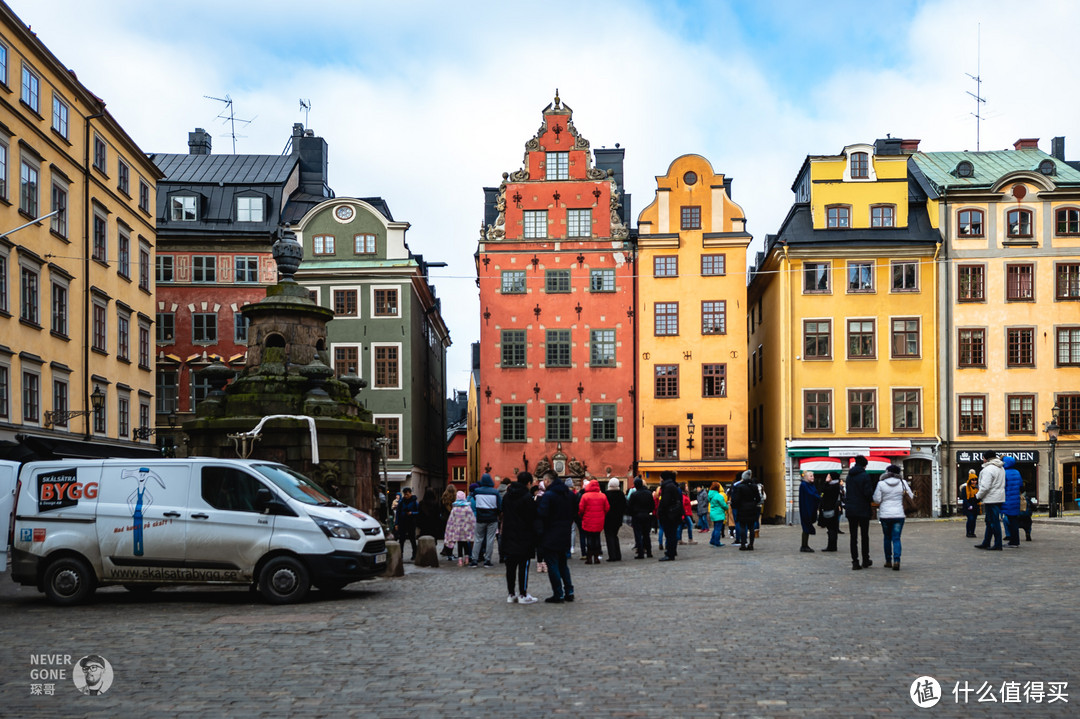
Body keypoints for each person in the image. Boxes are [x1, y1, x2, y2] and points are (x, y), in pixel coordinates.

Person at [536, 470, 576, 603]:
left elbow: (542, 514)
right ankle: (569, 591)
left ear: (547, 481)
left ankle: (558, 593)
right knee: (563, 564)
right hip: (565, 533)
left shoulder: (549, 495)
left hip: (551, 533)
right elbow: (575, 512)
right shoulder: (569, 494)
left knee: (552, 564)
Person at [501, 472, 539, 604]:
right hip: (524, 536)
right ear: (528, 483)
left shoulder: (507, 495)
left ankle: (511, 594)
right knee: (523, 565)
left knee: (510, 567)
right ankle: (523, 594)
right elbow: (531, 517)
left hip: (508, 534)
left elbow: (503, 512)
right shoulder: (527, 497)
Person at [872, 464, 914, 570]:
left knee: (887, 538)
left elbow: (877, 499)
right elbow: (911, 496)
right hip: (899, 514)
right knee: (896, 538)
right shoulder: (902, 483)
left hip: (885, 515)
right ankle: (897, 560)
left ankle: (888, 561)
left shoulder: (881, 484)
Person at [845, 456, 875, 570]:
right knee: (864, 536)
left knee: (853, 537)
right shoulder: (865, 476)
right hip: (863, 509)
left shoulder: (849, 476)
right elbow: (868, 493)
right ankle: (865, 560)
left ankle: (855, 561)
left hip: (851, 509)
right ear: (864, 465)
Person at [974, 450, 1006, 551]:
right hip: (998, 497)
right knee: (989, 521)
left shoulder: (988, 469)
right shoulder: (1000, 468)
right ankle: (986, 542)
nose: (982, 459)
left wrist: (977, 496)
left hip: (991, 498)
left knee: (993, 522)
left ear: (987, 458)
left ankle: (997, 544)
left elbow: (985, 486)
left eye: (983, 457)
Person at [470, 473, 502, 567]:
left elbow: (474, 498)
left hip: (480, 518)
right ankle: (487, 560)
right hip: (492, 518)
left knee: (478, 539)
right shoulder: (495, 492)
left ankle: (474, 560)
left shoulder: (477, 491)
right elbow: (499, 506)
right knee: (490, 539)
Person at [578, 479, 610, 564]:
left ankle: (589, 557)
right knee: (597, 537)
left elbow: (581, 509)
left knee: (589, 538)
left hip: (588, 520)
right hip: (599, 520)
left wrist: (582, 516)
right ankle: (596, 557)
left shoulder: (585, 496)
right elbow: (607, 508)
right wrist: (602, 515)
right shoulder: (602, 496)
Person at [730, 470, 761, 550]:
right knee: (751, 528)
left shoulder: (739, 487)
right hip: (752, 509)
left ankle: (743, 544)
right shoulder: (754, 486)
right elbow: (758, 498)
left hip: (742, 509)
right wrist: (753, 503)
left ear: (743, 478)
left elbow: (736, 499)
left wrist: (736, 506)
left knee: (743, 527)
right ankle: (751, 544)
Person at [657, 471, 683, 561]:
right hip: (673, 514)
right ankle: (672, 551)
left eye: (660, 477)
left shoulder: (668, 487)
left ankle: (670, 553)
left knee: (670, 534)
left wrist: (660, 512)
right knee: (672, 534)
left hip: (669, 515)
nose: (659, 479)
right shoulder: (673, 486)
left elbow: (665, 502)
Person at [444, 491, 476, 566]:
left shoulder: (455, 509)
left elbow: (451, 520)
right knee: (465, 544)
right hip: (466, 530)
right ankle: (467, 559)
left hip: (458, 530)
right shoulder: (468, 508)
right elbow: (472, 519)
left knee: (460, 545)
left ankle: (460, 560)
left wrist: (449, 530)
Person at [627, 477, 655, 559]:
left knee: (638, 534)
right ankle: (649, 552)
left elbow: (630, 506)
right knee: (646, 534)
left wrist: (632, 514)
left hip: (637, 516)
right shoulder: (648, 493)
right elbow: (652, 505)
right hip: (646, 515)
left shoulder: (634, 494)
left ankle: (641, 552)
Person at [1001, 456, 1023, 549]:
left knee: (1010, 521)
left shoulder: (1004, 473)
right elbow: (1021, 485)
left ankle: (1013, 541)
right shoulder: (1017, 472)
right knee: (1014, 521)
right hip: (1016, 500)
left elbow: (1002, 486)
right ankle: (1015, 540)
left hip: (1007, 499)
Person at [603, 478, 627, 562]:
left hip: (608, 518)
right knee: (615, 536)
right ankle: (618, 555)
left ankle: (612, 555)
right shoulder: (621, 494)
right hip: (618, 518)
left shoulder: (606, 494)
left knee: (609, 536)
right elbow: (624, 506)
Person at [819, 472, 843, 552]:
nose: (827, 477)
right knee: (832, 529)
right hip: (833, 509)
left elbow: (823, 491)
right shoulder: (835, 485)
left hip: (831, 509)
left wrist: (826, 482)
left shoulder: (833, 486)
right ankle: (832, 546)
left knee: (831, 529)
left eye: (828, 476)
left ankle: (831, 546)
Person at [799, 470, 820, 553]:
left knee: (806, 527)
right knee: (806, 527)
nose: (813, 477)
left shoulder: (810, 485)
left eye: (813, 476)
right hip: (806, 509)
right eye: (811, 476)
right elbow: (812, 494)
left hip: (809, 509)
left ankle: (805, 545)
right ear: (806, 477)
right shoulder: (804, 485)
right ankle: (804, 546)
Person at [394, 487, 419, 561]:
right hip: (402, 522)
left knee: (412, 539)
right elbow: (398, 513)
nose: (406, 496)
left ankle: (414, 554)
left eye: (407, 494)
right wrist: (396, 523)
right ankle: (400, 554)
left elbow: (418, 512)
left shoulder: (414, 502)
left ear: (410, 493)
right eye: (405, 494)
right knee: (401, 539)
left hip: (411, 522)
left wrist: (412, 513)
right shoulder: (401, 502)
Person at [959, 470, 980, 538]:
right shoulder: (965, 488)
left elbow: (978, 497)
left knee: (974, 520)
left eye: (975, 480)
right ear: (970, 480)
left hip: (975, 506)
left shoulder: (977, 488)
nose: (974, 481)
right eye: (972, 480)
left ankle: (972, 532)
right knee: (970, 519)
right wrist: (968, 505)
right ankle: (968, 532)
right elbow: (964, 498)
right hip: (968, 506)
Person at [707, 482, 728, 547]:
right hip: (719, 513)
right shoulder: (719, 496)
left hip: (713, 513)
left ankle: (712, 540)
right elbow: (724, 505)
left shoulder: (710, 495)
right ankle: (717, 542)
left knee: (715, 528)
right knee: (718, 529)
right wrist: (727, 508)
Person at [439, 483, 458, 557]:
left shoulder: (443, 498)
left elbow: (440, 509)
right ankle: (449, 551)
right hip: (453, 519)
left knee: (446, 536)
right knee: (453, 536)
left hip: (444, 519)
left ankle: (445, 550)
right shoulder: (455, 499)